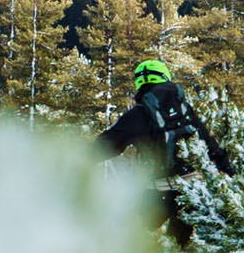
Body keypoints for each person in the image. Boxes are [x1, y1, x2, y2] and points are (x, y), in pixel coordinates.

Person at [98, 60, 234, 245]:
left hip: (156, 192)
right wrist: (230, 173)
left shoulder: (139, 114)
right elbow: (209, 143)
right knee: (184, 244)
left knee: (135, 242)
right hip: (194, 190)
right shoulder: (184, 109)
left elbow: (106, 145)